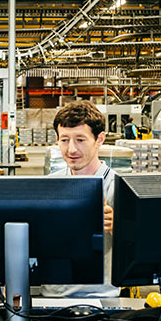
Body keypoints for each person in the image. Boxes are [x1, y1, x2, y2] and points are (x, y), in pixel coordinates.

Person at [40, 100, 120, 298]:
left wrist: (120, 226)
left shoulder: (119, 188)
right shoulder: (48, 186)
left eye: (80, 140)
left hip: (101, 298)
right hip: (51, 296)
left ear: (99, 139)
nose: (71, 149)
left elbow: (145, 249)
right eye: (64, 140)